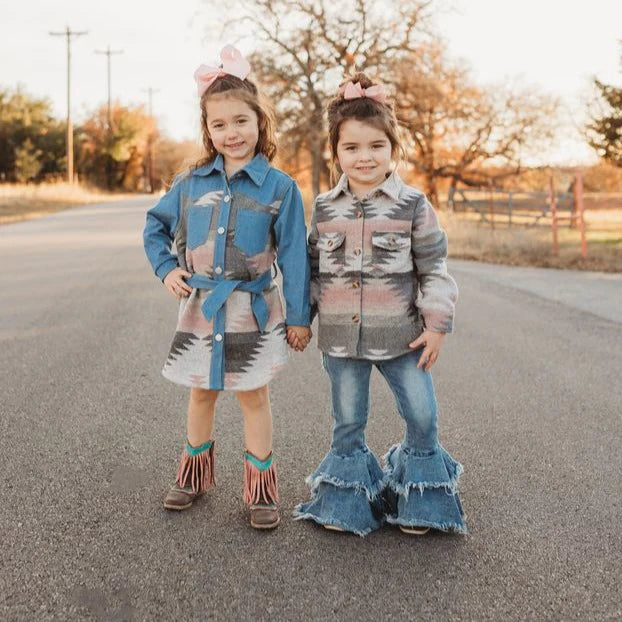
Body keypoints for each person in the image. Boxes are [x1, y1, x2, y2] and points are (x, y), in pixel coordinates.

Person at [143, 45, 311, 529]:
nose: (231, 133)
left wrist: (298, 317)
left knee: (253, 395)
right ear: (207, 130)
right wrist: (166, 269)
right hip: (201, 309)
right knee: (201, 392)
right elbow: (155, 227)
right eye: (219, 125)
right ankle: (192, 477)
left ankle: (261, 493)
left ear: (260, 122)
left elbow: (297, 256)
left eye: (240, 121)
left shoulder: (280, 188)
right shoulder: (191, 182)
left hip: (253, 311)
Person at [293, 73, 466, 536]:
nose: (364, 157)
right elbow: (313, 269)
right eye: (351, 148)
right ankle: (348, 501)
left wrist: (438, 324)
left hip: (403, 336)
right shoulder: (326, 208)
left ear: (393, 149)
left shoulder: (413, 205)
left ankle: (419, 500)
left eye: (375, 146)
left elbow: (433, 267)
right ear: (337, 153)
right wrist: (300, 320)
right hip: (341, 339)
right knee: (347, 420)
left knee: (422, 415)